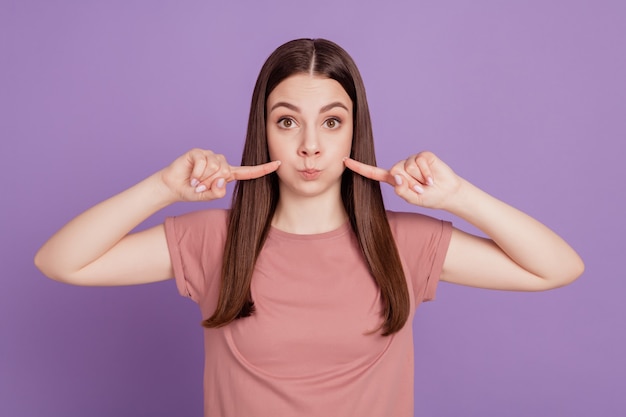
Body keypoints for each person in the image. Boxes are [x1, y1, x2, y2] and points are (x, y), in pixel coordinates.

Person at [34, 38, 584, 417]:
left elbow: (559, 268)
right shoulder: (211, 241)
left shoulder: (404, 244)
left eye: (332, 122)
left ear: (353, 132)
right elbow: (60, 261)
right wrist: (161, 186)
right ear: (264, 130)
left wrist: (458, 197)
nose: (310, 146)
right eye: (288, 121)